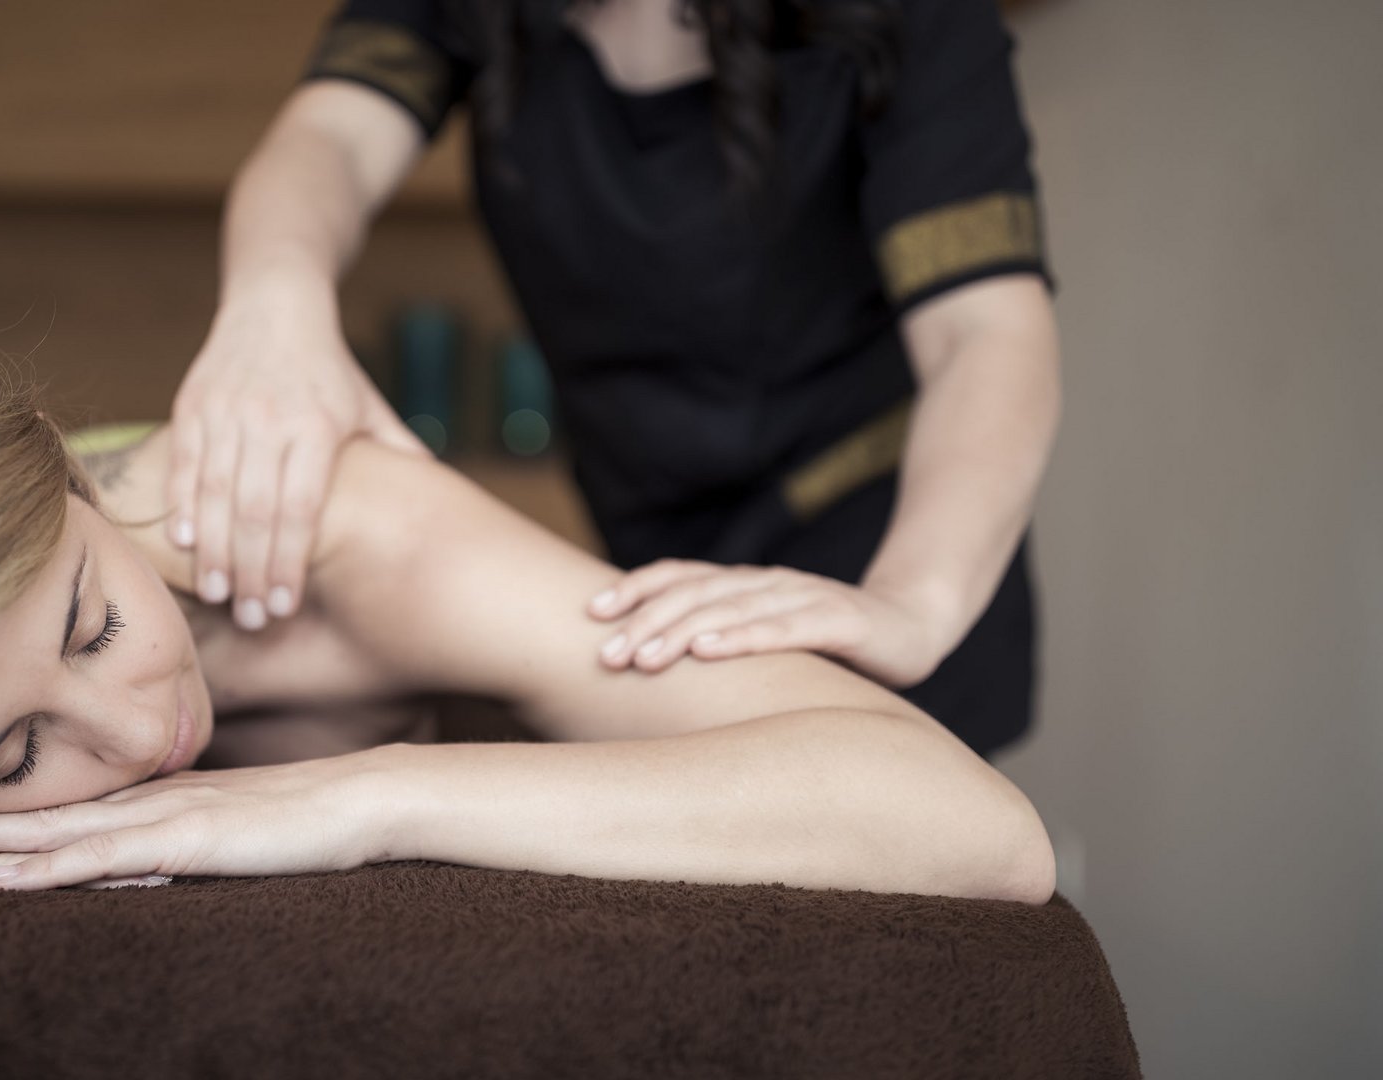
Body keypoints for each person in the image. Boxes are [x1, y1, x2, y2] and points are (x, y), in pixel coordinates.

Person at [0, 319, 1053, 900]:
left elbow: (976, 830)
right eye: (5, 761)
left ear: (83, 487)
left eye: (91, 625)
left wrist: (349, 801)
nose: (139, 728)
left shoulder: (343, 536)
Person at [166, 0, 1061, 757]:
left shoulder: (912, 20)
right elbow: (330, 136)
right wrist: (271, 304)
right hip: (648, 558)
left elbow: (984, 334)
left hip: (883, 546)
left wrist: (908, 603)